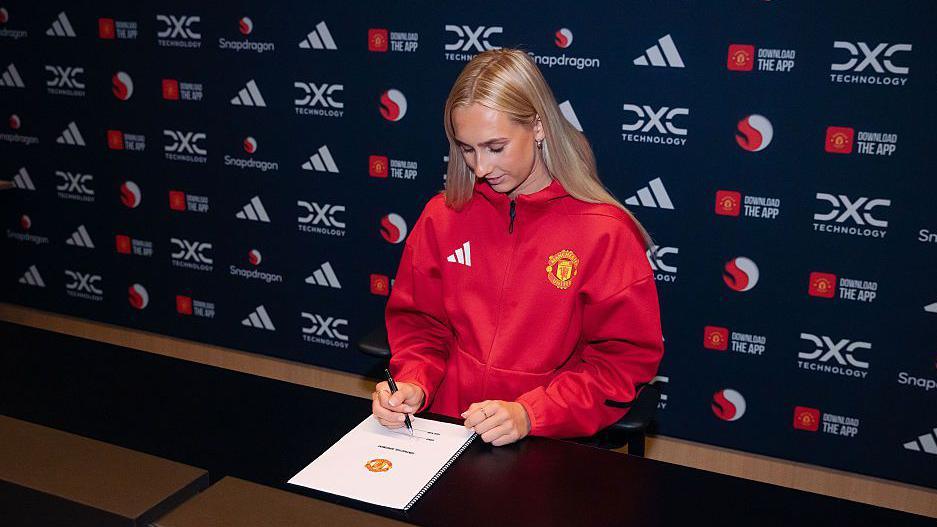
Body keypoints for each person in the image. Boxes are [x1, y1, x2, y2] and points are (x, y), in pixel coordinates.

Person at [371, 48, 664, 447]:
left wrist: (531, 413)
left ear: (539, 127)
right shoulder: (442, 216)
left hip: (549, 439)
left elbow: (620, 364)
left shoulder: (604, 233)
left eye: (495, 147)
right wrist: (413, 383)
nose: (480, 168)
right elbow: (422, 328)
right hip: (446, 434)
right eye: (466, 149)